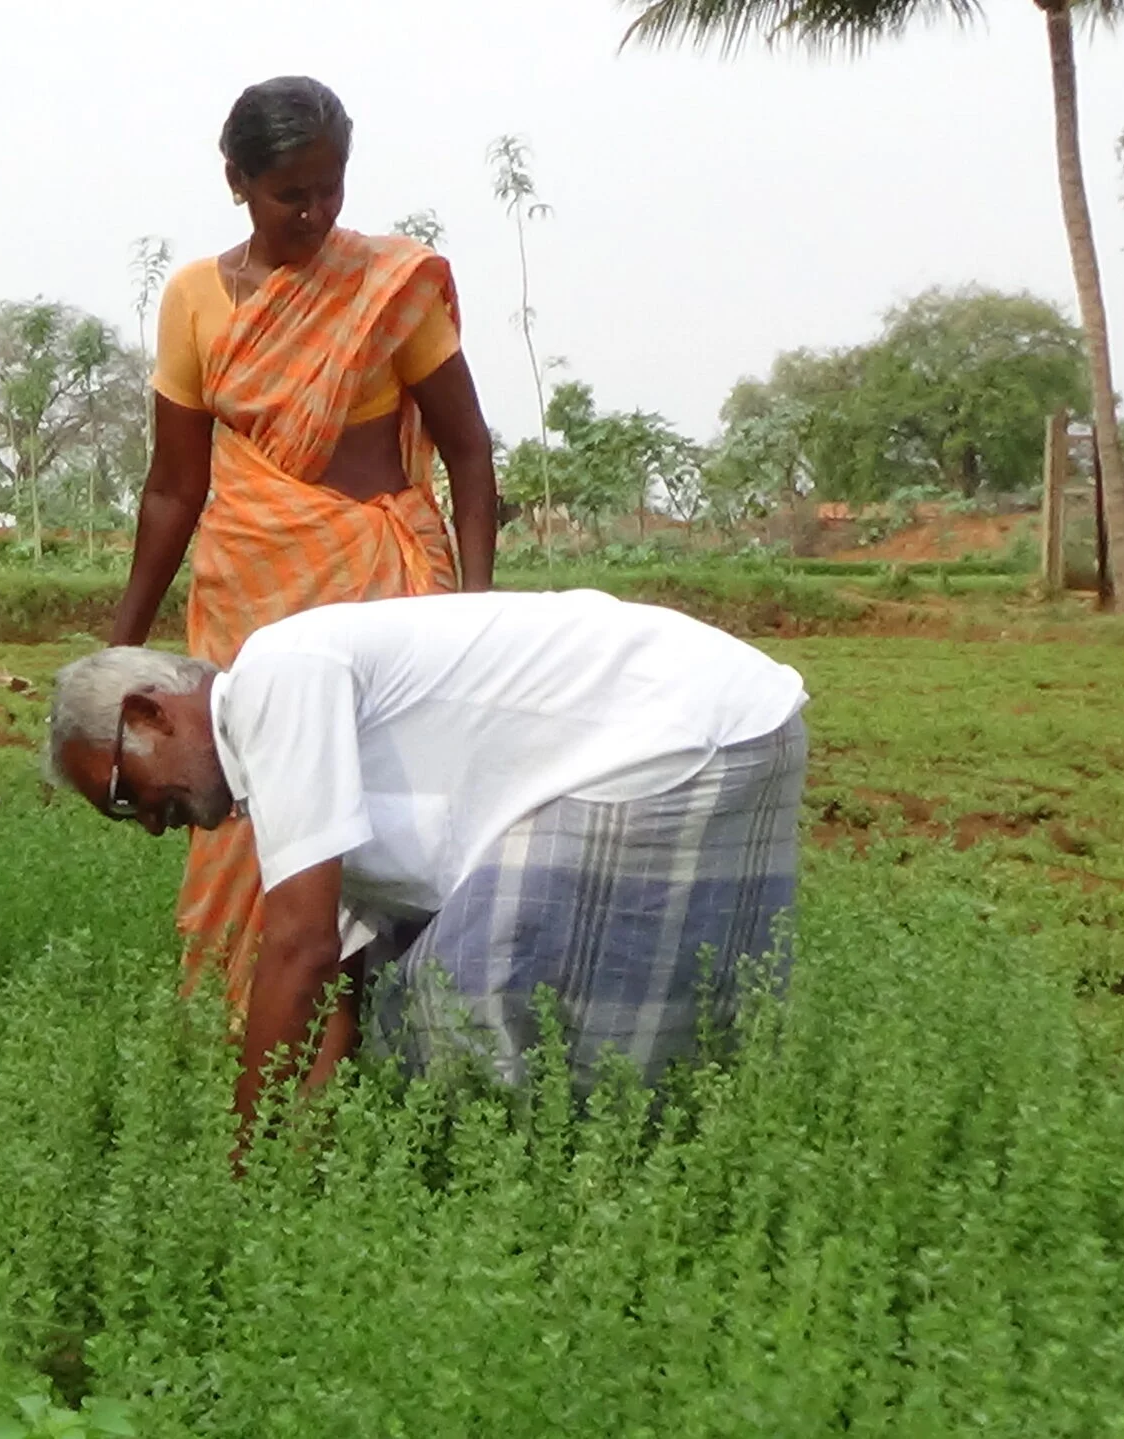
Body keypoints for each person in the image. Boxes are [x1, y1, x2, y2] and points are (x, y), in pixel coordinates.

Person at [47, 591, 809, 1136]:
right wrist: (292, 1163)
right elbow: (335, 999)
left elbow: (300, 950)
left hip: (686, 725)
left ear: (150, 712)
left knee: (464, 1000)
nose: (150, 823)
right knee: (456, 1005)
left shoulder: (277, 678)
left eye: (124, 793)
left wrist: (243, 1170)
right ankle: (625, 1169)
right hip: (729, 717)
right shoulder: (292, 781)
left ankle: (577, 1190)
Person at [109, 76, 502, 1023]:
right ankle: (261, 1027)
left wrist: (476, 613)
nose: (319, 213)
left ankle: (387, 1033)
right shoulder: (196, 300)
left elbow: (470, 451)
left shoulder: (385, 286)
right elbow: (174, 488)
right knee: (248, 797)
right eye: (293, 194)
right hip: (249, 593)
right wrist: (118, 647)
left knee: (380, 815)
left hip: (378, 590)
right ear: (237, 180)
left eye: (333, 188)